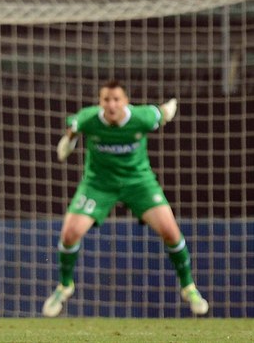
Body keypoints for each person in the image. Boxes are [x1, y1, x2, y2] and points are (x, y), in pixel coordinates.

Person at [43, 80, 208, 317]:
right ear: (100, 103)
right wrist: (68, 140)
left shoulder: (142, 117)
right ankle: (65, 286)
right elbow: (72, 131)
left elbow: (162, 113)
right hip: (98, 184)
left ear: (125, 102)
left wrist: (170, 108)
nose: (111, 105)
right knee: (69, 234)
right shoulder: (89, 118)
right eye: (106, 100)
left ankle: (189, 287)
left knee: (171, 232)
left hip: (138, 182)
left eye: (116, 99)